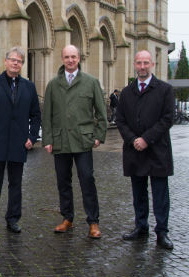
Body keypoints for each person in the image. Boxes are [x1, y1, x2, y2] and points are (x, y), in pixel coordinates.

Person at [41, 45, 107, 239]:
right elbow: (48, 116)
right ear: (62, 59)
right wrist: (47, 139)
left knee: (87, 180)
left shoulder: (91, 82)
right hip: (61, 141)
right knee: (63, 182)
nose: (70, 60)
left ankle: (93, 222)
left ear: (79, 58)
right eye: (67, 57)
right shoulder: (53, 84)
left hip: (83, 141)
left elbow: (101, 113)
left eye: (74, 57)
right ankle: (67, 218)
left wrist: (98, 135)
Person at [0, 46, 41, 235]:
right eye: (13, 60)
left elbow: (36, 115)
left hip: (18, 144)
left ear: (22, 64)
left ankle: (13, 219)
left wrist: (32, 137)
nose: (15, 63)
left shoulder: (29, 87)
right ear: (5, 62)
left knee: (16, 185)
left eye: (19, 61)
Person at [116, 50, 174, 250]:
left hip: (157, 150)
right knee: (138, 192)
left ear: (152, 64)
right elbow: (120, 120)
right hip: (135, 151)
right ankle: (141, 227)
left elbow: (168, 118)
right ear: (134, 64)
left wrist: (147, 139)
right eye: (139, 63)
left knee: (160, 194)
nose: (142, 66)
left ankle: (162, 231)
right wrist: (133, 140)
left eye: (146, 63)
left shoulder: (165, 90)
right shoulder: (126, 92)